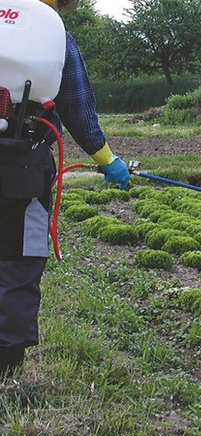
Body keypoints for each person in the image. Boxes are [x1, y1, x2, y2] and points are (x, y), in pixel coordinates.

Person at [0, 0, 130, 377]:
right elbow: (77, 107)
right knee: (18, 260)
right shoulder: (55, 37)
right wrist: (109, 161)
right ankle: (6, 366)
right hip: (22, 170)